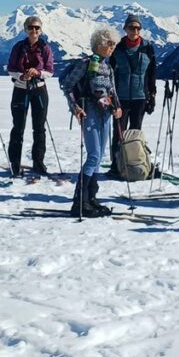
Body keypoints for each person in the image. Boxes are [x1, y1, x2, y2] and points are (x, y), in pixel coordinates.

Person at [65, 28, 122, 217]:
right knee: (94, 154)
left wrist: (117, 107)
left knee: (99, 156)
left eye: (114, 44)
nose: (113, 47)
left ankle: (91, 198)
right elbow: (68, 86)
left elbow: (112, 91)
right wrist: (75, 108)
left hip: (105, 114)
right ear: (99, 45)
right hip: (89, 111)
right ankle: (80, 202)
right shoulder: (85, 64)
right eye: (109, 44)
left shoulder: (108, 67)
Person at [108, 14, 157, 174]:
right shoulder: (117, 48)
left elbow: (151, 74)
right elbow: (110, 74)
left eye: (137, 27)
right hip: (120, 98)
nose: (134, 30)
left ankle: (133, 165)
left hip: (140, 97)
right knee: (119, 133)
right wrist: (110, 97)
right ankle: (116, 166)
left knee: (136, 132)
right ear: (125, 29)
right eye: (131, 27)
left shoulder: (147, 48)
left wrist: (152, 96)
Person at [6, 15, 55, 177]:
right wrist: (22, 75)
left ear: (40, 30)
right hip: (20, 89)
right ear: (25, 29)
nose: (34, 31)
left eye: (37, 28)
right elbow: (10, 68)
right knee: (18, 127)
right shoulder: (18, 47)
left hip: (39, 89)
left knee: (39, 128)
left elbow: (50, 71)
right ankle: (15, 162)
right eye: (31, 28)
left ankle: (38, 162)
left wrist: (38, 73)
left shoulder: (45, 48)